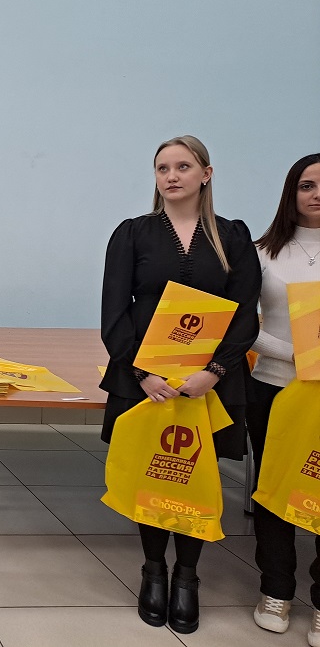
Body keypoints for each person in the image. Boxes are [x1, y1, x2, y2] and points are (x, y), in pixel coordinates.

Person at [100, 136, 261, 634]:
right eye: (163, 168)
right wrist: (142, 373)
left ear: (205, 174)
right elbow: (114, 311)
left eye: (183, 166)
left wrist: (215, 371)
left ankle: (188, 576)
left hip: (211, 382)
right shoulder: (132, 233)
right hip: (145, 380)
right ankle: (154, 570)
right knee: (154, 472)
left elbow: (245, 313)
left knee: (195, 474)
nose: (171, 176)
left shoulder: (233, 236)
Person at [247, 154, 320, 644]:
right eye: (307, 185)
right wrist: (298, 356)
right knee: (272, 491)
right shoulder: (261, 252)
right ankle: (276, 590)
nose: (317, 194)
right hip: (273, 386)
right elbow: (243, 324)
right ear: (291, 192)